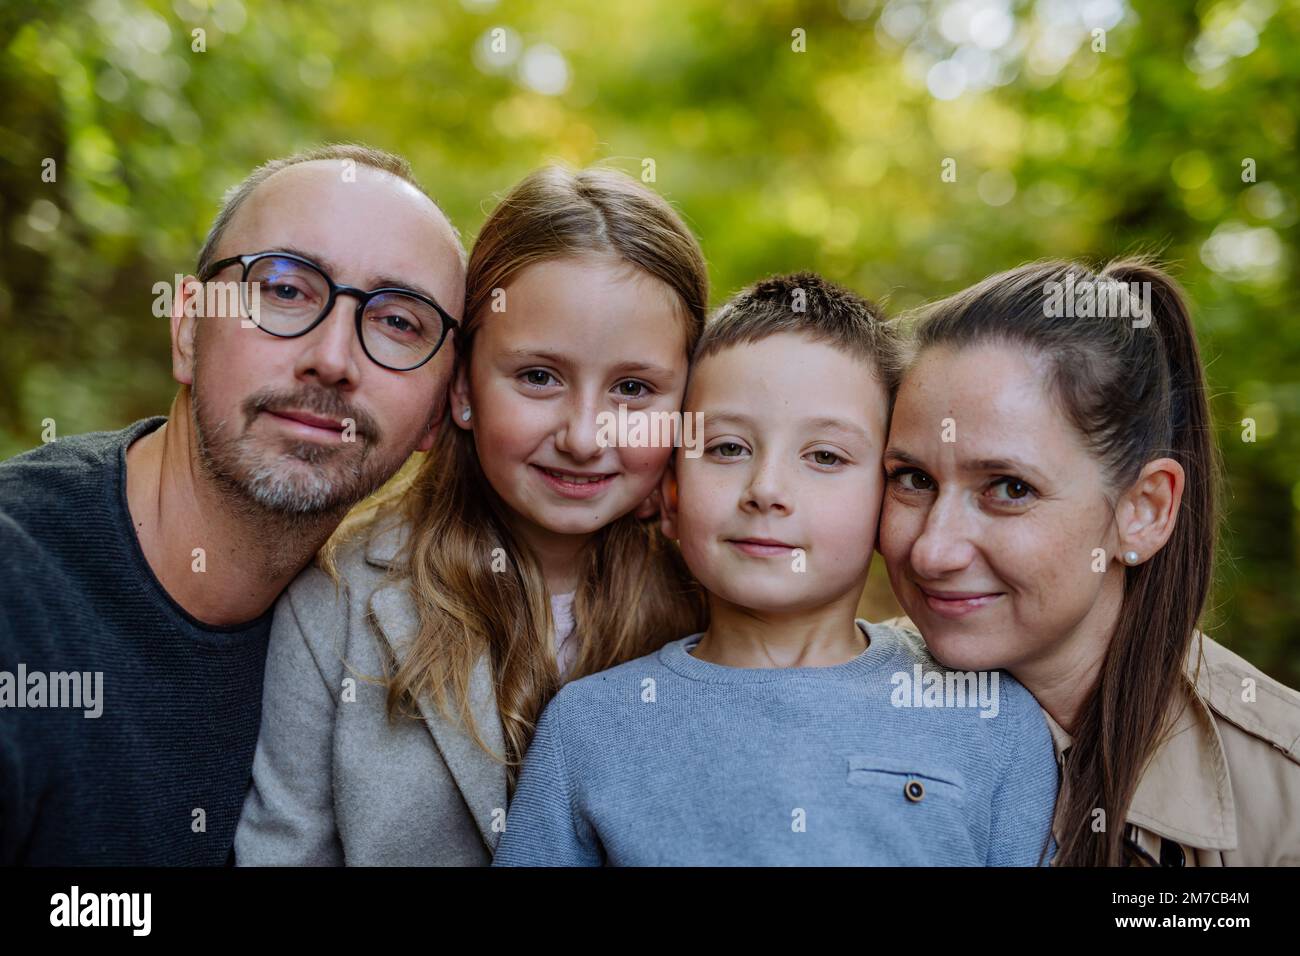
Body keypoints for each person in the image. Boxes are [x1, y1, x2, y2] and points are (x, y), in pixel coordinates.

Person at [0, 143, 466, 864]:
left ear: (439, 412)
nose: (333, 359)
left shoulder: (398, 641)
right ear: (187, 328)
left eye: (399, 322)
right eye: (284, 289)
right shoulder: (19, 596)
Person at [492, 273, 1059, 866]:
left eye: (824, 456)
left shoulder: (987, 716)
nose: (766, 490)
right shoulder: (588, 727)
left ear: (888, 499)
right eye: (728, 448)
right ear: (670, 495)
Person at [234, 165, 708, 865]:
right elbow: (283, 852)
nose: (583, 436)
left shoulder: (717, 594)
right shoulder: (336, 602)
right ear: (461, 388)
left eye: (633, 388)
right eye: (538, 377)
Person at [878, 258, 1300, 865]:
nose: (932, 550)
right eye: (912, 478)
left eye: (1009, 488)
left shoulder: (1281, 794)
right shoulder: (822, 705)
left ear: (1144, 511)